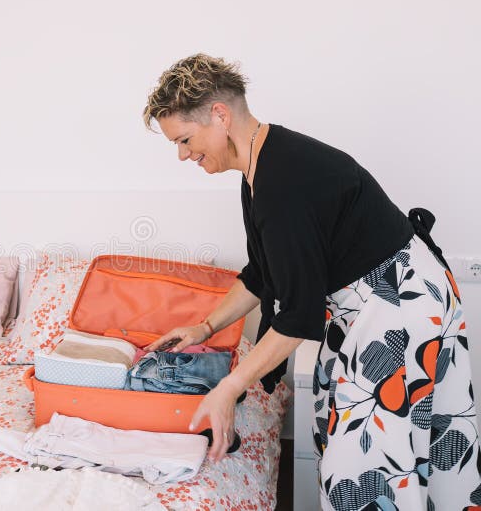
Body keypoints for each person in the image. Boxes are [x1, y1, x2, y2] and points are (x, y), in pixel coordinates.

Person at [142, 53, 481, 510]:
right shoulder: (260, 169)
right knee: (354, 438)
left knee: (362, 470)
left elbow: (299, 319)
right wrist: (204, 328)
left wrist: (229, 388)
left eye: (184, 139)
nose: (183, 154)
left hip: (401, 305)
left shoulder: (282, 182)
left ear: (219, 116)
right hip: (372, 304)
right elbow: (262, 275)